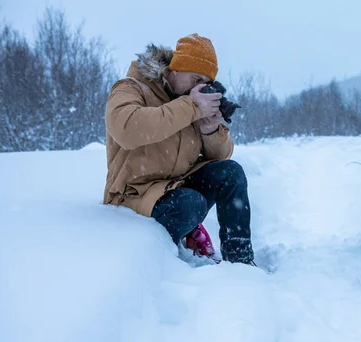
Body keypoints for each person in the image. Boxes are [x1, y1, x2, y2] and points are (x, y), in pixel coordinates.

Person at [103, 33, 255, 265]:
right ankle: (164, 256)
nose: (199, 87)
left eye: (205, 82)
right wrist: (191, 106)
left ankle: (241, 262)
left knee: (231, 173)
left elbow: (221, 157)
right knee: (189, 204)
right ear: (174, 70)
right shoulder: (131, 88)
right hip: (134, 193)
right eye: (195, 78)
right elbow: (126, 129)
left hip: (175, 186)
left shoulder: (189, 101)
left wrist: (211, 130)